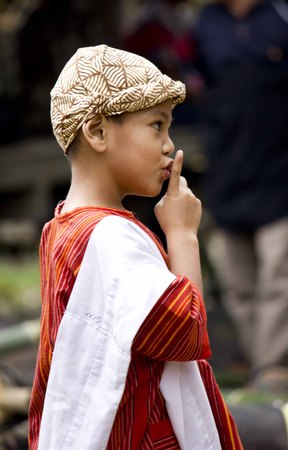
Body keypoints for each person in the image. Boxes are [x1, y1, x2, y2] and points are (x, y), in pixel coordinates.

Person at [28, 44, 243, 449]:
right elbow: (184, 334)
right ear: (97, 131)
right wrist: (182, 234)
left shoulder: (61, 227)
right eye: (156, 125)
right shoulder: (109, 237)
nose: (168, 145)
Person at [193, 0, 288, 390]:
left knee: (278, 277)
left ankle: (274, 367)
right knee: (239, 285)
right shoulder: (206, 24)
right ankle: (258, 362)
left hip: (280, 174)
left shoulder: (280, 16)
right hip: (228, 172)